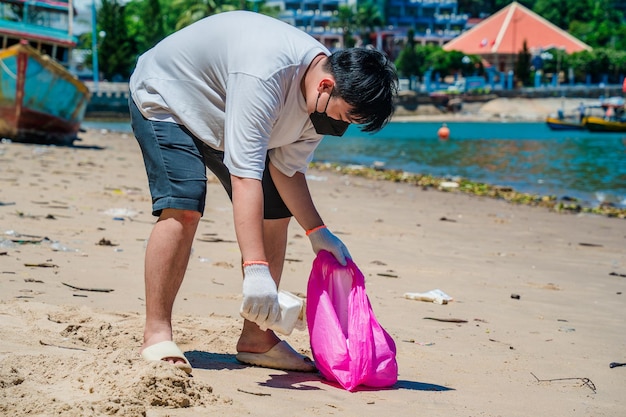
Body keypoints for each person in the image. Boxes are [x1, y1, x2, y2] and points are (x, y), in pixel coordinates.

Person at [128, 10, 398, 374]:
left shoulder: (321, 104)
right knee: (184, 204)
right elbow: (246, 177)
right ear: (325, 86)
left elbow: (287, 171)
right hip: (169, 97)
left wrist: (319, 233)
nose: (341, 127)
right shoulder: (266, 74)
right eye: (345, 117)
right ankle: (157, 334)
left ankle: (257, 338)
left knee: (277, 211)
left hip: (222, 114)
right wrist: (255, 269)